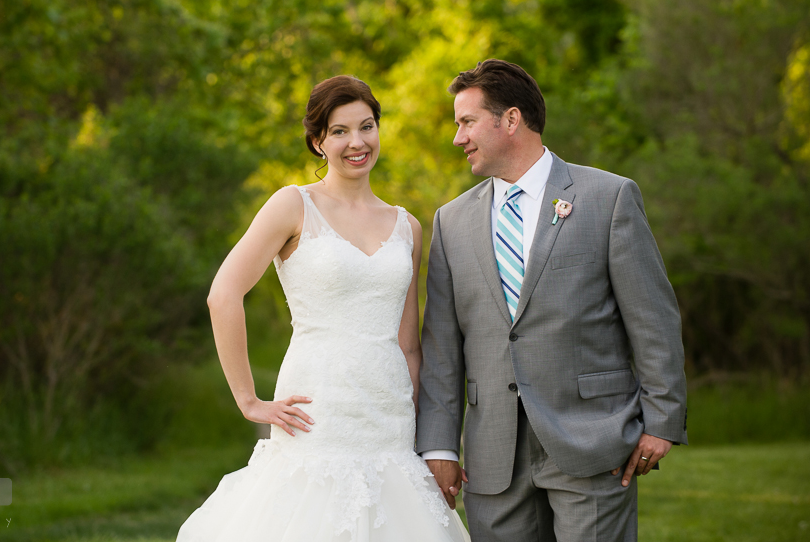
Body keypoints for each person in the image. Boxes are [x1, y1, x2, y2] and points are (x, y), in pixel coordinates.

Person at [176, 75, 470, 542]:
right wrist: (248, 399)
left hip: (390, 421)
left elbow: (409, 344)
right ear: (318, 141)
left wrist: (423, 436)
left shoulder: (408, 227)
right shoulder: (293, 205)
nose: (357, 142)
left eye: (367, 126)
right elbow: (224, 293)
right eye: (339, 131)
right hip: (318, 413)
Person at [416, 59, 688, 542]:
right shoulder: (451, 222)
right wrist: (439, 445)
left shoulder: (608, 198)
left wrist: (662, 421)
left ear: (512, 120)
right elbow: (440, 347)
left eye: (467, 122)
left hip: (592, 439)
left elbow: (652, 319)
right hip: (492, 455)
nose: (458, 138)